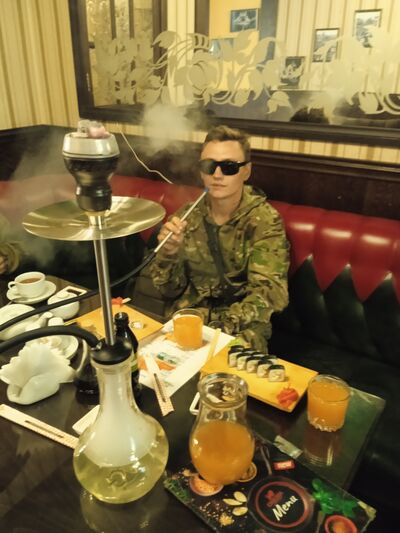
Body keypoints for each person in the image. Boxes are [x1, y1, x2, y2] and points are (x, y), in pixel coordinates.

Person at [149, 125, 289, 351]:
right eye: (209, 166)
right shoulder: (186, 217)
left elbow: (271, 293)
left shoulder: (264, 221)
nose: (217, 175)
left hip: (242, 326)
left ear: (246, 171)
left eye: (229, 167)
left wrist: (221, 326)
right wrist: (168, 253)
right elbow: (168, 290)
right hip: (190, 319)